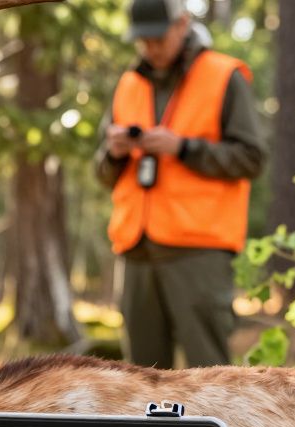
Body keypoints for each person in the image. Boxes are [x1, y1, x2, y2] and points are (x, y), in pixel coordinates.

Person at [96, 0, 266, 368]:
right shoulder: (128, 83)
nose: (150, 48)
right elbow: (103, 174)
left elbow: (252, 158)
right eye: (142, 40)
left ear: (182, 24)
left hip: (198, 252)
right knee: (138, 381)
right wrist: (116, 152)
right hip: (136, 251)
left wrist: (183, 148)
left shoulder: (224, 76)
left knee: (212, 378)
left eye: (157, 38)